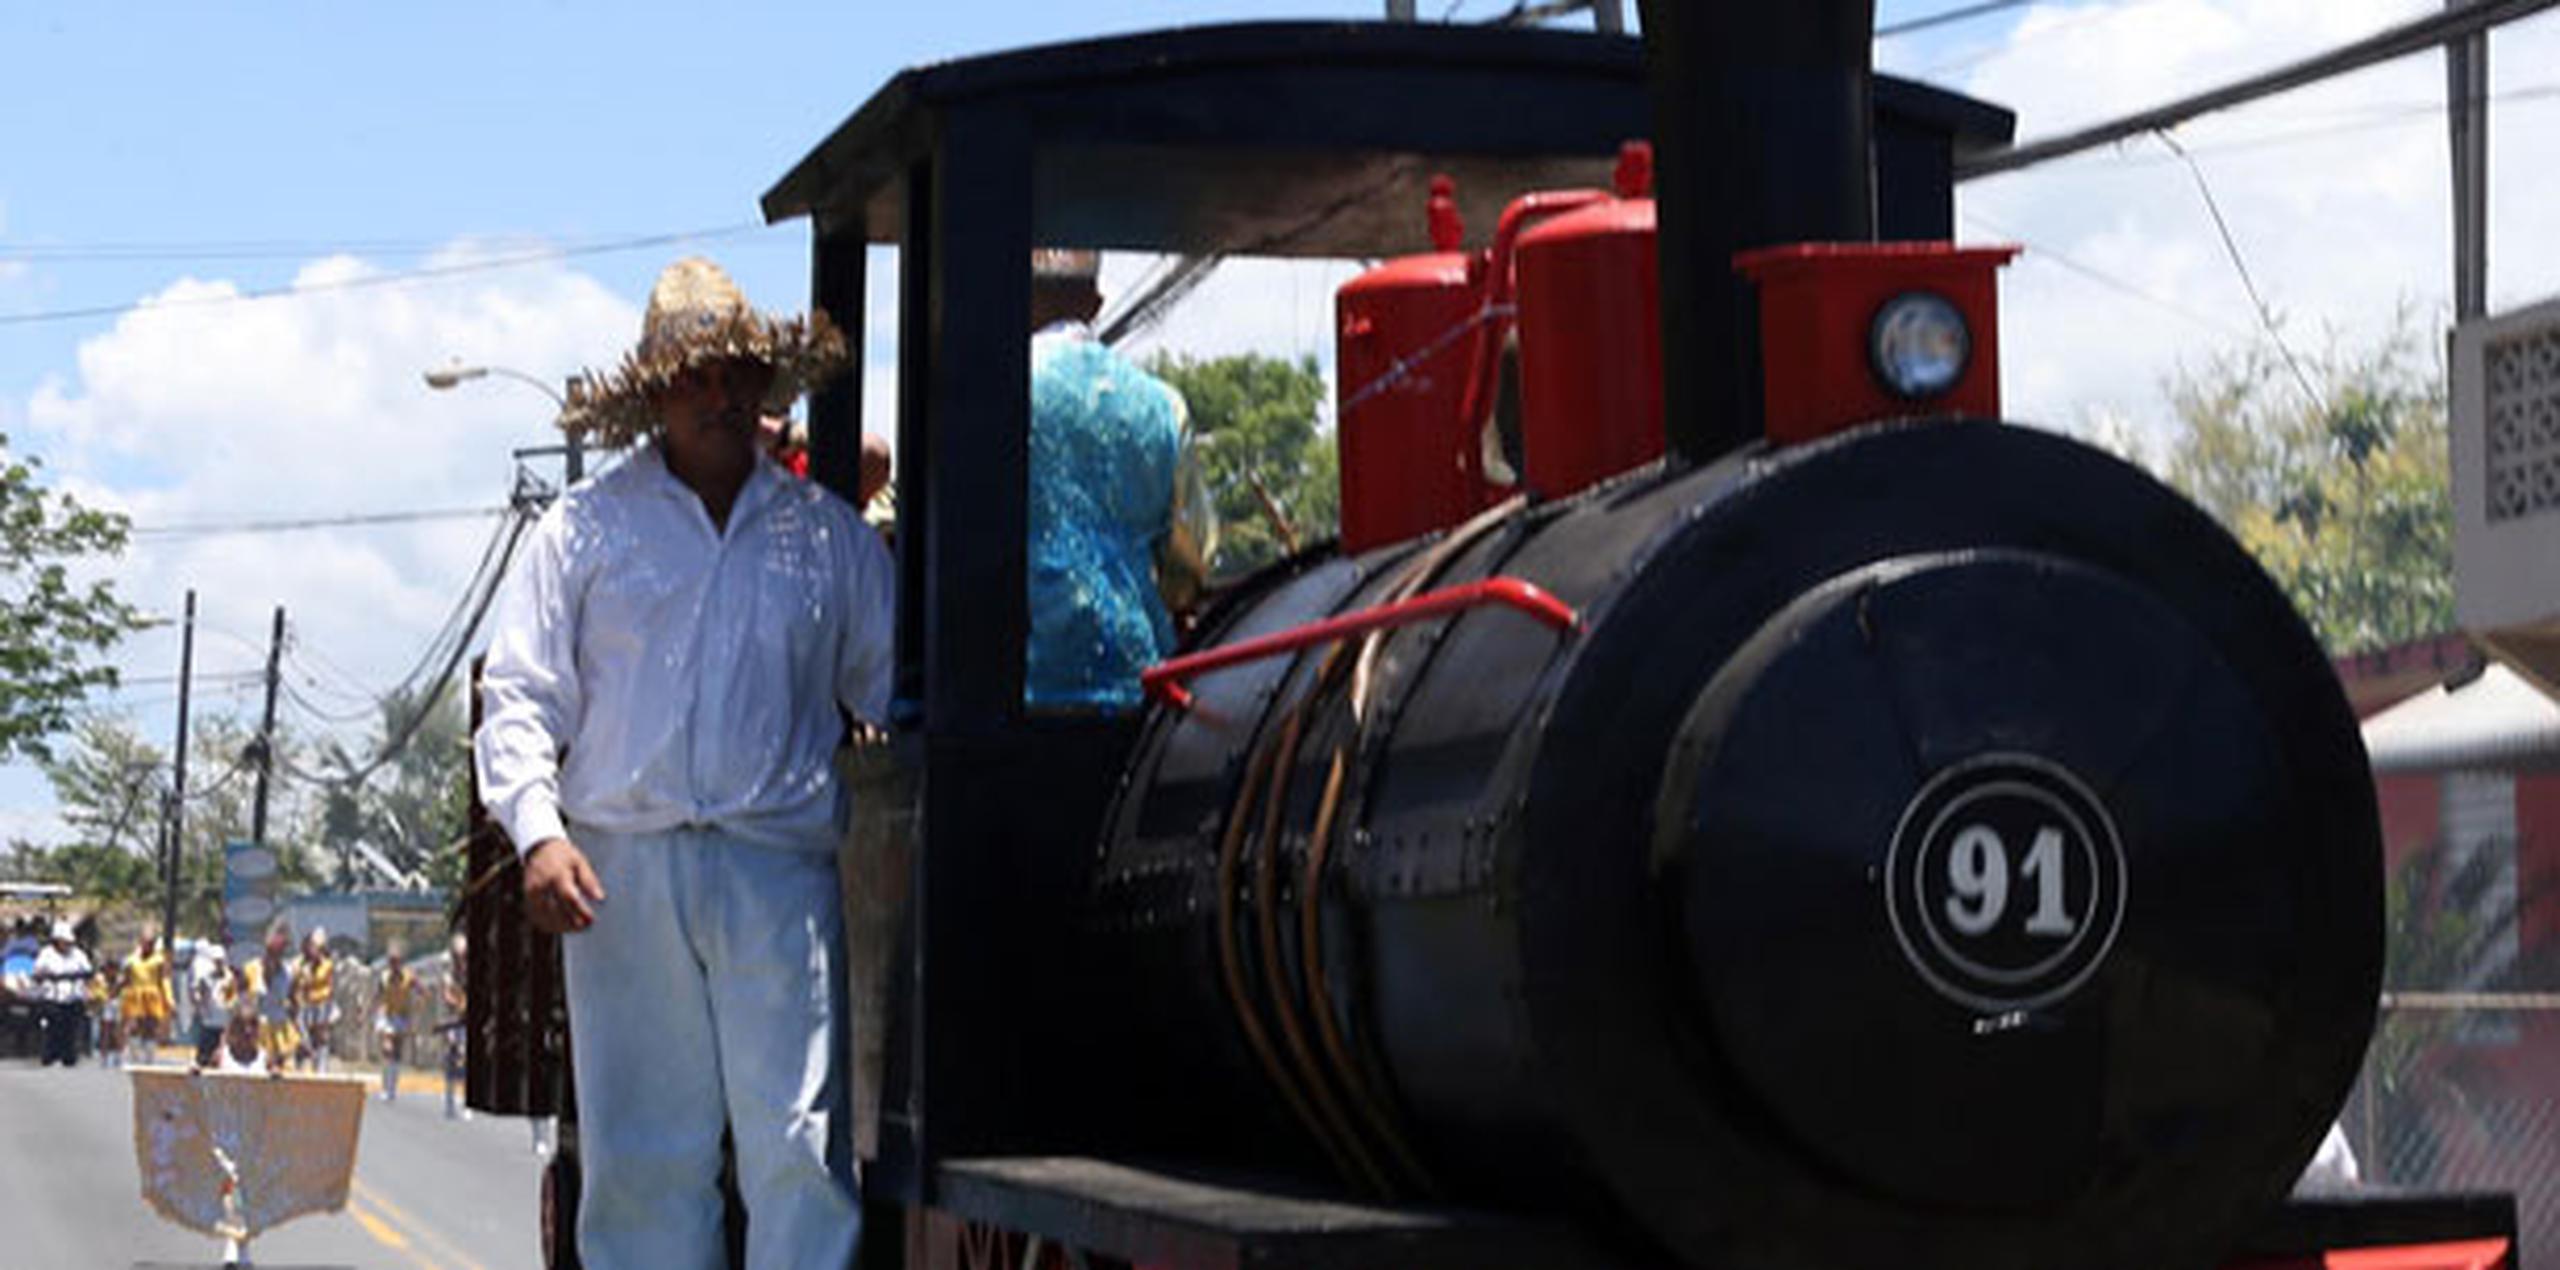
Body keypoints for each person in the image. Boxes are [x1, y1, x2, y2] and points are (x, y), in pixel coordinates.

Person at [477, 255, 888, 1269]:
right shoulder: (584, 530)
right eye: (695, 377)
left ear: (763, 385)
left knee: (797, 1146)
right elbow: (520, 695)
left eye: (736, 373)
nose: (719, 395)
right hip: (622, 869)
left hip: (776, 868)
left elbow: (892, 693)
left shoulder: (826, 540)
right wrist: (539, 834)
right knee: (643, 1162)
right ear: (656, 394)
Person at [1024, 248, 1213, 709]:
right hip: (1141, 682)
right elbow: (1190, 561)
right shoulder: (1163, 404)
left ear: (1023, 297)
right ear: (1096, 304)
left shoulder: (1002, 387)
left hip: (1026, 687)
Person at [32, 921, 92, 1067]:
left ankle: (69, 1056)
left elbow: (87, 970)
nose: (67, 945)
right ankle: (50, 1056)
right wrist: (50, 977)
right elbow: (37, 973)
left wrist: (76, 976)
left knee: (71, 1028)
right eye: (63, 942)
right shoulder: (46, 954)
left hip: (73, 996)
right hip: (52, 997)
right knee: (53, 1027)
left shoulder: (77, 954)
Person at [242, 925, 301, 1072]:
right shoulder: (251, 969)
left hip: (281, 1028)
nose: (274, 957)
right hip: (257, 1029)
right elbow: (242, 1001)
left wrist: (297, 1028)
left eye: (279, 952)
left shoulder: (289, 973)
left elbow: (294, 1003)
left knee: (284, 1071)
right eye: (272, 952)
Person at [122, 927, 173, 1066]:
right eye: (145, 942)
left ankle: (149, 1059)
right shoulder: (132, 960)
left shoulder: (159, 960)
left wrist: (168, 998)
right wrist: (118, 993)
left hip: (152, 995)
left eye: (150, 942)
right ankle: (134, 1056)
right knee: (134, 1026)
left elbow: (164, 980)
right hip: (135, 995)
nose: (147, 945)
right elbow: (126, 979)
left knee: (150, 1027)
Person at [376, 947, 416, 1102]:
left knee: (397, 1053)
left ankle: (392, 1087)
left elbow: (421, 991)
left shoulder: (409, 976)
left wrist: (418, 1004)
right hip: (386, 1015)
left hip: (402, 1016)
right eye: (391, 961)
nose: (394, 965)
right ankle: (385, 1086)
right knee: (387, 1049)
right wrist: (365, 1012)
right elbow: (377, 995)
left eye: (397, 961)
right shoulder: (384, 977)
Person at [295, 927, 336, 1073]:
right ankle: (302, 1065)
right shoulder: (301, 966)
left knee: (321, 1037)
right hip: (305, 1006)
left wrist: (329, 1011)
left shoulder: (327, 965)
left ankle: (321, 1068)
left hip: (322, 1005)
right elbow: (298, 986)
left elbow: (330, 987)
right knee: (304, 1039)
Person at [188, 947, 231, 1068]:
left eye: (221, 961)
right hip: (209, 1023)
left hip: (224, 1024)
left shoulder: (230, 978)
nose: (219, 964)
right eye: (216, 961)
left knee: (222, 1059)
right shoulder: (206, 978)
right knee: (203, 1058)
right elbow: (198, 996)